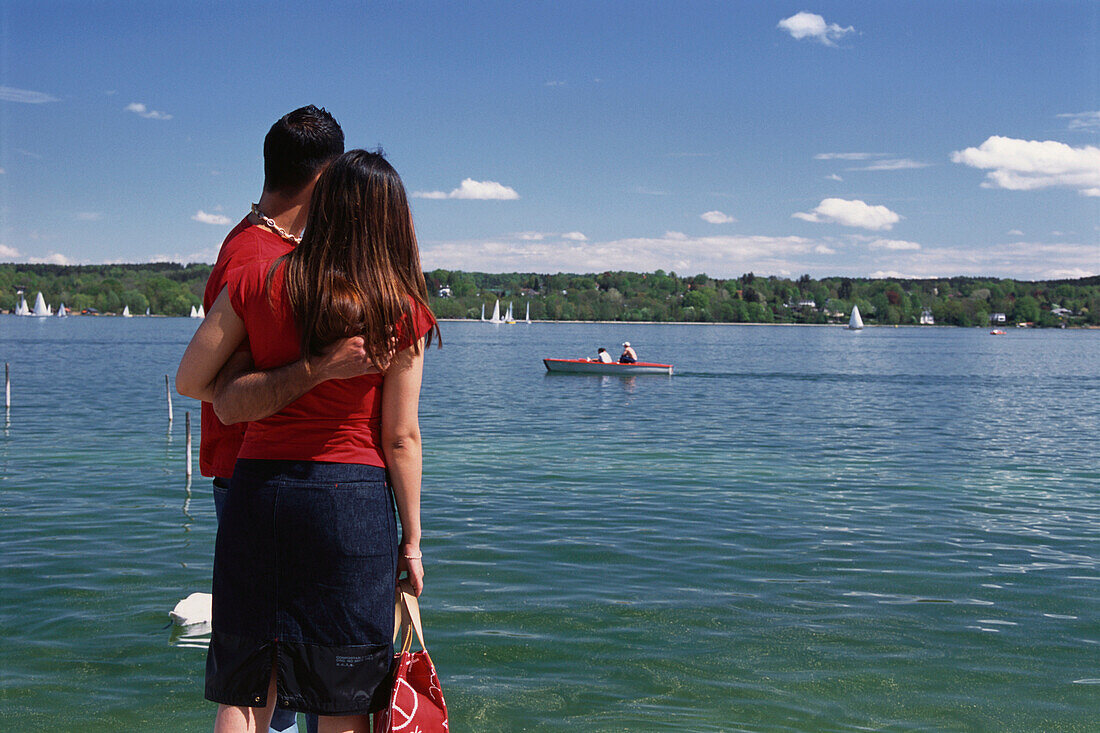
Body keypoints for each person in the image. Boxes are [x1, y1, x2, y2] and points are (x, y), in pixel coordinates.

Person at [177, 149, 439, 733]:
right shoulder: (399, 309)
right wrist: (414, 542)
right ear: (392, 220)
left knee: (247, 689)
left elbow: (196, 382)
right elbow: (400, 438)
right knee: (339, 693)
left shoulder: (257, 280)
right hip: (351, 502)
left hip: (259, 492)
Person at [197, 106, 358, 733]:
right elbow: (213, 385)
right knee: (276, 683)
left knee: (277, 678)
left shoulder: (261, 245)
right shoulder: (255, 259)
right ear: (326, 179)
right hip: (259, 478)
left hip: (259, 480)